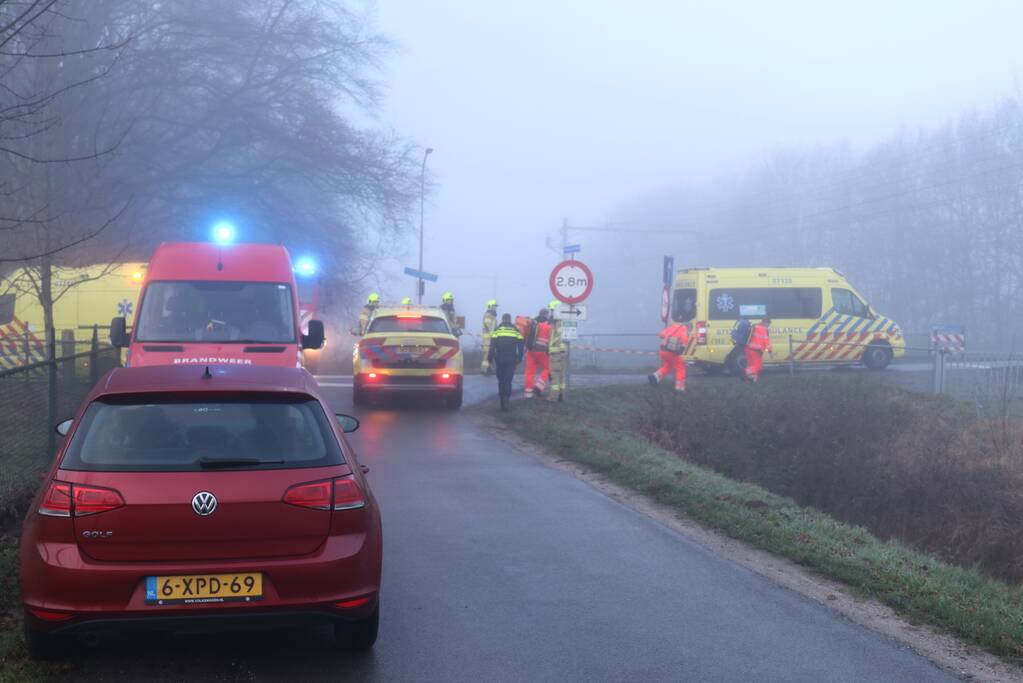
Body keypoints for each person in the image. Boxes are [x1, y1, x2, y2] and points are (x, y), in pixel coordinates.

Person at [489, 314, 524, 411]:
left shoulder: (497, 330)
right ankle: (506, 402)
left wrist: (490, 358)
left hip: (499, 359)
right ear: (510, 319)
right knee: (508, 380)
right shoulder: (515, 330)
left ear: (502, 319)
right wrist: (520, 357)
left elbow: (492, 347)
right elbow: (521, 345)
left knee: (501, 381)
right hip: (511, 360)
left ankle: (501, 403)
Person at [648, 320, 689, 391]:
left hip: (663, 350)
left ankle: (656, 376)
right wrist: (682, 347)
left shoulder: (671, 327)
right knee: (681, 366)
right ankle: (679, 387)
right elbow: (684, 339)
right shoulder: (683, 328)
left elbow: (661, 334)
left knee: (668, 366)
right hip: (671, 351)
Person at [524, 308, 551, 398]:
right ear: (546, 315)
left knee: (529, 372)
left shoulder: (532, 323)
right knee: (548, 368)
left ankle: (528, 394)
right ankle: (538, 387)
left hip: (531, 351)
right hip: (543, 351)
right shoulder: (548, 325)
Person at [546, 300, 567, 402]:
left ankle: (553, 397)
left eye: (552, 310)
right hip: (559, 354)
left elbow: (561, 338)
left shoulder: (558, 323)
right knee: (561, 376)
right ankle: (561, 395)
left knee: (555, 376)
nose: (550, 313)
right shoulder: (560, 322)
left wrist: (560, 351)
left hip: (556, 354)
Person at [744, 317, 773, 382]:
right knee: (758, 365)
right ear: (765, 323)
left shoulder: (754, 326)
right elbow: (766, 343)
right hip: (755, 351)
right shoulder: (764, 329)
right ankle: (746, 373)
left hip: (747, 349)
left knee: (752, 365)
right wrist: (770, 352)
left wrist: (766, 350)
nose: (768, 326)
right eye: (768, 324)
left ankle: (753, 380)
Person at [480, 299, 498, 375]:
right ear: (490, 306)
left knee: (490, 354)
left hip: (490, 337)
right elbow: (488, 325)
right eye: (494, 306)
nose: (495, 308)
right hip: (488, 338)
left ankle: (488, 368)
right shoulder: (488, 315)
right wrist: (492, 334)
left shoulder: (491, 315)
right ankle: (484, 370)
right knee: (487, 354)